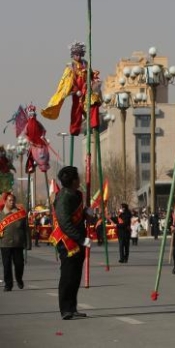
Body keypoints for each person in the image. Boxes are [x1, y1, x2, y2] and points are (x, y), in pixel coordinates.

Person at [48, 166, 89, 320]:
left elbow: (77, 216)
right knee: (67, 275)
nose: (80, 180)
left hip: (78, 239)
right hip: (67, 241)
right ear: (73, 181)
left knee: (76, 275)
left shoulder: (77, 194)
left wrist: (86, 213)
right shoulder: (63, 197)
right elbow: (65, 222)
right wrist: (80, 238)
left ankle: (72, 306)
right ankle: (65, 308)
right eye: (77, 177)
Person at [42, 42, 101, 137]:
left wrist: (94, 79)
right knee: (77, 110)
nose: (77, 56)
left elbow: (90, 74)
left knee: (93, 103)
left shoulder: (85, 63)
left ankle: (93, 124)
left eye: (79, 54)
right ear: (73, 55)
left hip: (86, 89)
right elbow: (69, 80)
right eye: (75, 54)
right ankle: (75, 129)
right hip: (77, 92)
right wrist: (76, 89)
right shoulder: (71, 66)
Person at [1, 192, 27, 291]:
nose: (12, 202)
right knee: (6, 265)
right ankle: (8, 284)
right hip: (5, 243)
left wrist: (27, 243)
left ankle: (19, 278)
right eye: (9, 200)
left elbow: (26, 229)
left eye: (13, 200)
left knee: (19, 264)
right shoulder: (1, 214)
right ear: (5, 201)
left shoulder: (20, 214)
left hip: (18, 243)